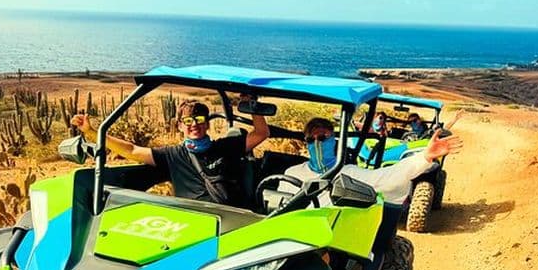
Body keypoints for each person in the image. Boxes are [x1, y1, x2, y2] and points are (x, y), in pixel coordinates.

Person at [71, 96, 269, 208]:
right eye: (188, 121)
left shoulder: (225, 147)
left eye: (199, 120)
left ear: (207, 124)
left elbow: (261, 133)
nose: (194, 125)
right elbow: (132, 150)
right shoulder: (172, 155)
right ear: (180, 125)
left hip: (232, 217)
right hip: (193, 218)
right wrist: (92, 133)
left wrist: (252, 105)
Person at [281, 116, 463, 206]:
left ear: (333, 141)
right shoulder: (292, 174)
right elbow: (281, 206)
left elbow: (389, 176)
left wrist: (425, 156)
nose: (317, 143)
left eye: (322, 138)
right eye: (311, 140)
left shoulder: (348, 174)